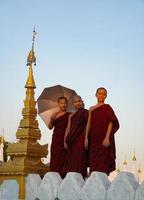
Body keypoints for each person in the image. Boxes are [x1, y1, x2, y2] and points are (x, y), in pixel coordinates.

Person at [85, 87, 119, 175]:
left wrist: (107, 137)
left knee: (103, 161)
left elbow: (111, 122)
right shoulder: (91, 109)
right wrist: (86, 138)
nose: (101, 95)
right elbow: (88, 123)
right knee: (93, 160)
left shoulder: (107, 107)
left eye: (104, 94)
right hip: (94, 138)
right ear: (96, 95)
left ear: (106, 96)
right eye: (99, 93)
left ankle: (102, 181)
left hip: (103, 138)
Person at [62, 95, 88, 178]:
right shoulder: (71, 116)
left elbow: (88, 125)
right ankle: (71, 179)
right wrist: (65, 140)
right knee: (71, 160)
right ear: (73, 104)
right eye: (76, 102)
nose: (78, 103)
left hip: (81, 138)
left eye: (79, 101)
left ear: (82, 102)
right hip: (71, 140)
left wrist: (86, 138)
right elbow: (68, 128)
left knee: (80, 158)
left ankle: (80, 178)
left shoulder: (86, 112)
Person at [48, 97, 70, 178]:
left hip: (65, 139)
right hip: (56, 139)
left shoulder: (69, 115)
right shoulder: (55, 115)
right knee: (55, 158)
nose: (63, 105)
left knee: (63, 159)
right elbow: (50, 127)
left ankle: (63, 177)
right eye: (61, 103)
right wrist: (51, 119)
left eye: (65, 103)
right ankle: (53, 177)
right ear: (58, 104)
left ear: (67, 104)